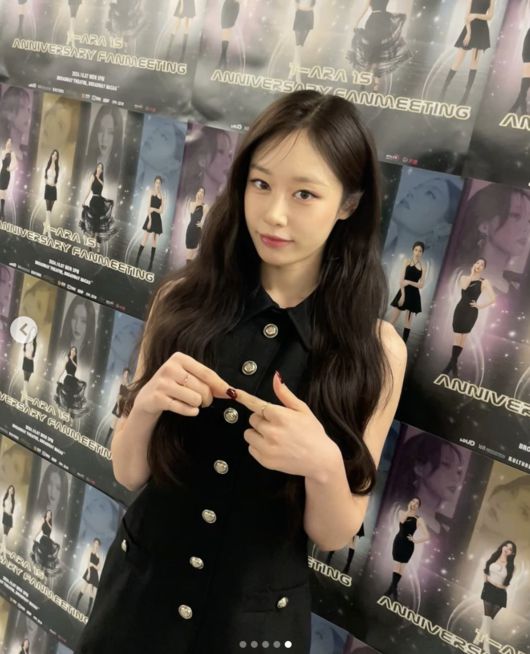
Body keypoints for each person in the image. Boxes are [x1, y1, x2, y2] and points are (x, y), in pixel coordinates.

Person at [74, 89, 406, 654]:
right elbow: (128, 471)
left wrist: (321, 461)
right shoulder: (182, 301)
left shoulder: (374, 350)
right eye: (260, 184)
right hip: (139, 604)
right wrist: (146, 404)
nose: (274, 214)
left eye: (305, 194)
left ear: (349, 203)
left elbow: (332, 533)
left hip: (253, 627)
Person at [441, 258, 496, 378]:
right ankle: (453, 365)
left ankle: (450, 366)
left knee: (463, 339)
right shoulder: (464, 278)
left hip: (471, 312)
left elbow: (493, 298)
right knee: (457, 338)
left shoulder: (484, 282)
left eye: (482, 265)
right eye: (477, 263)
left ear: (484, 268)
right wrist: (472, 274)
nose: (479, 265)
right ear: (474, 264)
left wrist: (480, 306)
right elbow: (464, 287)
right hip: (460, 309)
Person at [347, 0, 412, 91]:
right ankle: (368, 83)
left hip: (381, 22)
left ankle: (374, 84)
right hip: (376, 22)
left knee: (377, 55)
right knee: (372, 54)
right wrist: (356, 22)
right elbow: (365, 9)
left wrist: (356, 23)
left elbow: (365, 9)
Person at [440, 0, 496, 105]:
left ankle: (467, 91)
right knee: (458, 60)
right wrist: (469, 33)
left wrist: (475, 15)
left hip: (481, 29)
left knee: (474, 62)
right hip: (469, 28)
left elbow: (490, 16)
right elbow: (467, 16)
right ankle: (445, 86)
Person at [473, 541, 517, 654]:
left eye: (510, 549)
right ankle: (486, 644)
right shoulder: (494, 557)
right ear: (502, 546)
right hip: (489, 590)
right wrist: (486, 582)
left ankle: (478, 637)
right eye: (506, 546)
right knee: (487, 618)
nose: (507, 549)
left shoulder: (511, 567)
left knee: (489, 620)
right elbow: (485, 571)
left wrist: (496, 584)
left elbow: (506, 585)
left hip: (500, 594)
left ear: (512, 553)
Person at [383, 497, 429, 600]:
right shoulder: (402, 512)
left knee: (401, 568)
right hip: (398, 542)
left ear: (418, 507)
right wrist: (408, 510)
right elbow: (402, 520)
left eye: (417, 503)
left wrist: (415, 540)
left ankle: (391, 590)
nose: (414, 504)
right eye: (413, 501)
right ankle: (393, 590)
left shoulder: (419, 519)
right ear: (410, 502)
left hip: (408, 546)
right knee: (396, 566)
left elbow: (427, 536)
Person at [388, 241, 427, 342]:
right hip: (403, 291)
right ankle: (384, 338)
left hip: (414, 294)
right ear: (412, 250)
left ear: (422, 253)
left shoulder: (423, 266)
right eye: (416, 250)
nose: (417, 252)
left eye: (420, 251)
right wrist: (402, 295)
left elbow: (421, 285)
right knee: (393, 319)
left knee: (408, 322)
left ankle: (403, 343)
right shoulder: (407, 261)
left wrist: (409, 282)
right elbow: (401, 281)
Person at [80, 162, 115, 250]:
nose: (99, 169)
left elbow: (102, 185)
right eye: (98, 167)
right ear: (96, 168)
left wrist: (98, 177)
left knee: (99, 225)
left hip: (100, 202)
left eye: (101, 168)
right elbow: (88, 190)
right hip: (94, 201)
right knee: (94, 225)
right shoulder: (92, 177)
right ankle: (90, 245)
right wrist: (84, 200)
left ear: (102, 170)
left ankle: (97, 246)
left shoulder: (101, 180)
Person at [135, 176, 165, 272]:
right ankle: (137, 259)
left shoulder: (162, 195)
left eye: (159, 183)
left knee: (154, 241)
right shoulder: (150, 192)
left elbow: (161, 210)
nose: (157, 184)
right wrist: (150, 219)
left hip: (157, 219)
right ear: (154, 183)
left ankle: (151, 263)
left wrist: (154, 209)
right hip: (151, 217)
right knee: (144, 239)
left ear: (160, 184)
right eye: (156, 182)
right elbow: (148, 208)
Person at [54, 346, 88, 419]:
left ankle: (68, 414)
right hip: (68, 379)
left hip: (73, 379)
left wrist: (72, 359)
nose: (73, 351)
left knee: (74, 395)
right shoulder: (67, 358)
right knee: (68, 396)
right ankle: (65, 414)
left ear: (75, 353)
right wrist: (59, 378)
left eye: (74, 351)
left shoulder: (74, 361)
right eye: (72, 350)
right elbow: (63, 369)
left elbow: (76, 366)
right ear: (70, 351)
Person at [290, 0, 316, 84]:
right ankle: (298, 76)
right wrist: (303, 8)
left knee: (299, 48)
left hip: (309, 17)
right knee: (298, 49)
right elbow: (296, 5)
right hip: (300, 16)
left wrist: (305, 8)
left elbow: (312, 6)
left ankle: (292, 73)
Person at [75, 538, 102, 616]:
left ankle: (88, 610)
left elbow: (98, 568)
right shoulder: (90, 551)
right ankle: (76, 604)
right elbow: (88, 563)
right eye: (95, 543)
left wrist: (93, 565)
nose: (96, 545)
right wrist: (89, 573)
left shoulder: (98, 555)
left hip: (95, 574)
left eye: (97, 544)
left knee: (90, 590)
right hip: (90, 572)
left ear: (99, 546)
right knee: (83, 588)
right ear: (93, 543)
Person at [31, 510, 61, 578]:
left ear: (50, 516)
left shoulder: (50, 523)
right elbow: (40, 530)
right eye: (48, 513)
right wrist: (35, 537)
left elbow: (51, 528)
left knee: (47, 555)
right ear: (46, 514)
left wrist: (47, 521)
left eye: (50, 514)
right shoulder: (43, 521)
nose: (48, 515)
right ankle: (39, 570)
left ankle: (43, 571)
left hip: (48, 541)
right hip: (43, 539)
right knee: (41, 554)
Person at [184, 186, 208, 263]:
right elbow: (191, 214)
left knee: (191, 254)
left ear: (204, 195)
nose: (200, 193)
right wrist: (197, 201)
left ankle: (188, 269)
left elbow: (205, 220)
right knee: (188, 254)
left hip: (197, 231)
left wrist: (202, 224)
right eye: (199, 191)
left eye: (202, 192)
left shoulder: (205, 206)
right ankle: (188, 268)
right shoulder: (191, 204)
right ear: (196, 193)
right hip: (190, 230)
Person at [509, 27, 530, 115]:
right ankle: (522, 109)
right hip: (528, 54)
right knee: (526, 83)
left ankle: (514, 107)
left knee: (526, 84)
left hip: (527, 53)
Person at [43, 149, 59, 237]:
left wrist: (54, 183)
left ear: (57, 157)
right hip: (48, 188)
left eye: (56, 155)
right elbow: (45, 176)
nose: (54, 156)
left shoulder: (57, 167)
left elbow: (56, 179)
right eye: (53, 154)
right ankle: (49, 233)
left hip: (53, 189)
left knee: (49, 211)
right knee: (47, 211)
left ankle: (45, 228)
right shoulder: (48, 164)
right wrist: (46, 182)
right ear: (51, 155)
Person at [0, 137, 17, 219]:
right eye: (8, 141)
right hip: (2, 173)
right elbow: (2, 159)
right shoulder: (3, 151)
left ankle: (2, 211)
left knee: (3, 192)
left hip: (7, 174)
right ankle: (2, 211)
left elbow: (16, 164)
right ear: (6, 142)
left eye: (10, 142)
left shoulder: (12, 153)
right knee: (1, 192)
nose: (9, 143)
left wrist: (10, 169)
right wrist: (3, 152)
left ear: (11, 144)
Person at [21, 336, 37, 405]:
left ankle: (23, 397)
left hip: (30, 363)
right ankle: (26, 401)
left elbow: (33, 355)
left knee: (26, 382)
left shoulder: (35, 344)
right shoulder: (26, 341)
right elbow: (24, 351)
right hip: (26, 361)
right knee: (25, 383)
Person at [0, 484, 15, 559]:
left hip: (9, 519)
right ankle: (3, 553)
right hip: (5, 516)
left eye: (12, 490)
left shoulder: (13, 500)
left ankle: (3, 553)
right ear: (8, 489)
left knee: (5, 537)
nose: (11, 490)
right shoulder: (5, 497)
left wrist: (8, 512)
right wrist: (4, 510)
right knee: (4, 537)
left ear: (13, 492)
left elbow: (12, 512)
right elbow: (3, 506)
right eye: (10, 489)